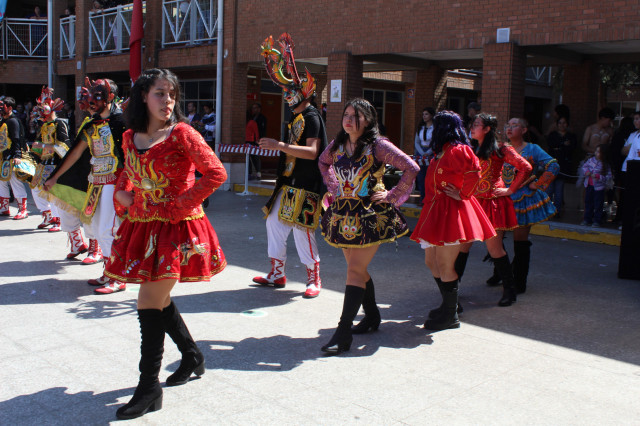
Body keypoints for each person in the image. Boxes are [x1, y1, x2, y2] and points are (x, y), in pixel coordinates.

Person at [103, 68, 227, 420]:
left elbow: (216, 173)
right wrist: (122, 193)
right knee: (159, 298)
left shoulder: (182, 133)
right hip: (143, 228)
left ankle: (148, 388)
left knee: (148, 301)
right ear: (143, 96)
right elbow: (127, 172)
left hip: (177, 230)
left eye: (172, 94)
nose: (168, 101)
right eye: (160, 93)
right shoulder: (130, 136)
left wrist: (177, 205)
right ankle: (191, 356)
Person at [318, 98, 418, 354]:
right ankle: (372, 315)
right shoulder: (338, 144)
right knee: (358, 270)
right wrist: (333, 185)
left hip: (370, 216)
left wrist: (393, 195)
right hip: (343, 215)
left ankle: (343, 333)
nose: (349, 119)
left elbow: (411, 167)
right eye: (346, 114)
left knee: (354, 270)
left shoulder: (378, 146)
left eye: (356, 116)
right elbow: (323, 162)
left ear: (369, 120)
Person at [251, 34, 326, 298]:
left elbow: (313, 152)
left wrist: (279, 145)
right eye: (284, 92)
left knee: (302, 230)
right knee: (274, 222)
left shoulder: (312, 117)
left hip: (306, 184)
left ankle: (314, 277)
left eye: (289, 92)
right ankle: (277, 273)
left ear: (303, 93)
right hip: (289, 183)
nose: (286, 96)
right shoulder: (296, 118)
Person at [410, 111, 496, 330]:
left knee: (445, 264)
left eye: (436, 126)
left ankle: (451, 315)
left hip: (451, 212)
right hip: (435, 211)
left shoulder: (458, 149)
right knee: (432, 262)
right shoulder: (442, 151)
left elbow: (475, 172)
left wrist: (463, 194)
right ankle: (450, 305)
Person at [44, 78, 127, 294]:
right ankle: (109, 272)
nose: (91, 101)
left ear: (110, 97)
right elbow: (74, 154)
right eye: (91, 96)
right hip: (96, 182)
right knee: (97, 230)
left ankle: (118, 276)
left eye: (97, 96)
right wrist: (54, 177)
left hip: (115, 182)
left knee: (107, 229)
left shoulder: (123, 122)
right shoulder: (91, 126)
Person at [455, 113, 532, 307]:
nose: (472, 128)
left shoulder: (501, 149)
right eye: (472, 124)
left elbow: (525, 167)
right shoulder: (470, 148)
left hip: (492, 203)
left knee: (495, 248)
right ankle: (451, 290)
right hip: (473, 202)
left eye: (476, 124)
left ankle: (510, 291)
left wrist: (510, 189)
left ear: (487, 129)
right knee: (463, 246)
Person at [497, 118, 559, 294]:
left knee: (520, 242)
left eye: (514, 125)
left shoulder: (532, 149)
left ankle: (519, 281)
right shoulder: (501, 149)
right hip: (502, 197)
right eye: (508, 125)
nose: (509, 128)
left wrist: (539, 184)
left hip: (523, 199)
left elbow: (553, 165)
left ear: (524, 130)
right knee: (495, 240)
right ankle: (500, 273)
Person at [29, 87, 70, 232]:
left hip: (55, 163)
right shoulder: (44, 126)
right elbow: (40, 144)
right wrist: (36, 149)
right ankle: (47, 215)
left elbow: (64, 146)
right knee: (35, 188)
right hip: (43, 162)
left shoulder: (59, 124)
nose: (40, 112)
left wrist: (43, 145)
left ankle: (58, 220)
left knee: (52, 192)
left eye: (43, 109)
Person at [0, 96, 29, 219]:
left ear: (10, 108)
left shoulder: (13, 121)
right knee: (2, 181)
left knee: (15, 181)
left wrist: (17, 155)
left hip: (12, 156)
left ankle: (23, 209)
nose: (1, 109)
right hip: (3, 156)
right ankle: (4, 207)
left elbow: (17, 139)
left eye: (3, 107)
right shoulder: (3, 121)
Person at [545, 116, 577, 216]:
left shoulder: (571, 136)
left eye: (564, 123)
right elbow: (551, 145)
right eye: (560, 123)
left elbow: (572, 148)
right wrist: (563, 144)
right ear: (557, 124)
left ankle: (557, 210)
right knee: (549, 189)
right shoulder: (553, 135)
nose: (562, 125)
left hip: (563, 166)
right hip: (552, 165)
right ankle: (547, 211)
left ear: (567, 124)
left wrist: (559, 147)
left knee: (559, 189)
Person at [581, 144, 613, 227]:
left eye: (599, 152)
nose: (596, 153)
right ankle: (587, 219)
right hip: (589, 185)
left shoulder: (605, 165)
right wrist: (586, 172)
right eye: (596, 151)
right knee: (588, 202)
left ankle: (597, 220)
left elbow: (608, 177)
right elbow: (584, 167)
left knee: (598, 204)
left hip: (599, 188)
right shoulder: (591, 160)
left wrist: (598, 176)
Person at [414, 107, 435, 205]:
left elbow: (435, 142)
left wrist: (429, 152)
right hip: (421, 152)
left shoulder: (435, 128)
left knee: (430, 177)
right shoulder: (420, 127)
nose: (424, 116)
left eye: (426, 114)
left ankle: (430, 199)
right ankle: (422, 199)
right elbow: (417, 142)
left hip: (431, 152)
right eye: (423, 114)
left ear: (431, 115)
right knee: (421, 177)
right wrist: (422, 153)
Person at [249, 102, 266, 180]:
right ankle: (250, 173)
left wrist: (260, 139)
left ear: (259, 109)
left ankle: (258, 173)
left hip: (257, 140)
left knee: (256, 157)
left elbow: (263, 130)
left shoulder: (262, 118)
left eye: (255, 108)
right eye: (253, 108)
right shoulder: (251, 117)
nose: (254, 110)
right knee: (250, 156)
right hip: (250, 140)